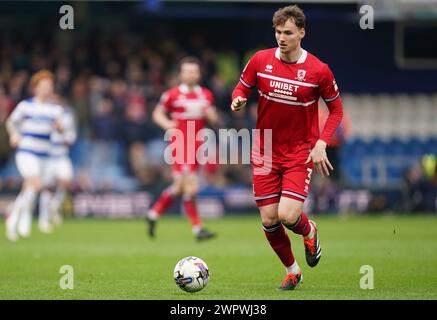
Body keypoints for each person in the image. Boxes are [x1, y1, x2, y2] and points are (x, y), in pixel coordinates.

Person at [230, 5, 343, 290]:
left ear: (301, 33)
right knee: (269, 220)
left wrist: (321, 143)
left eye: (288, 32)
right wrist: (238, 99)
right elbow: (242, 87)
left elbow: (337, 111)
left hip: (299, 152)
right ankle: (293, 271)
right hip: (265, 150)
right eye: (278, 32)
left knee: (288, 216)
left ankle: (309, 229)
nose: (282, 37)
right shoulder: (260, 60)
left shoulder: (319, 70)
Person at [146, 57, 220, 241]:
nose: (191, 74)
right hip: (180, 144)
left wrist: (212, 116)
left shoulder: (206, 94)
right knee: (191, 187)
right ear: (181, 74)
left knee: (179, 188)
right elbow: (157, 113)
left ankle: (153, 214)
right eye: (188, 71)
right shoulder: (172, 94)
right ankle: (198, 229)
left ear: (199, 74)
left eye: (194, 71)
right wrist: (168, 125)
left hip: (197, 144)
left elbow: (214, 119)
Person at [5, 70, 64, 241]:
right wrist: (14, 135)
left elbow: (59, 130)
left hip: (44, 155)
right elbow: (11, 122)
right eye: (44, 86)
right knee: (34, 184)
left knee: (30, 190)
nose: (47, 89)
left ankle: (19, 220)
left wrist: (59, 127)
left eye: (50, 87)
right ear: (36, 88)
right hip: (27, 152)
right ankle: (14, 220)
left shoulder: (55, 109)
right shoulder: (26, 106)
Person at [38, 94, 77, 233]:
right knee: (46, 188)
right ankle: (44, 219)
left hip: (61, 155)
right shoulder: (42, 115)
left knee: (66, 182)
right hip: (47, 156)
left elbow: (70, 136)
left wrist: (63, 135)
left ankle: (55, 205)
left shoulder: (67, 116)